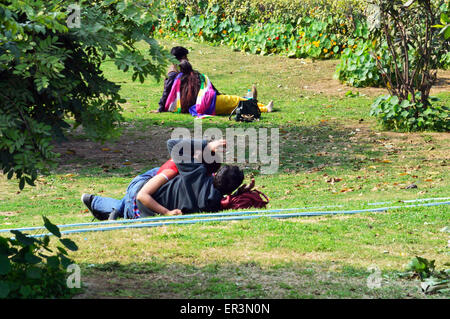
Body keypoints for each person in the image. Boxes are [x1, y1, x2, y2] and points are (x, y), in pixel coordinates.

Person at [81, 138, 245, 220]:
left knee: (127, 204)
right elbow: (222, 199)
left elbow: (172, 143)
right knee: (126, 204)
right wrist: (236, 195)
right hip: (149, 190)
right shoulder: (214, 204)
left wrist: (207, 144)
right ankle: (102, 204)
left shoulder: (195, 172)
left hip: (142, 195)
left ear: (215, 175)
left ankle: (102, 204)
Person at [164, 60, 273, 117]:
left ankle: (252, 100)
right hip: (209, 104)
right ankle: (264, 108)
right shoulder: (197, 76)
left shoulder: (178, 81)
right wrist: (218, 94)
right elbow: (210, 89)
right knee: (235, 101)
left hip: (194, 108)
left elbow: (170, 93)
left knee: (233, 107)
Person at [158, 46, 221, 112]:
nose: (187, 59)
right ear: (182, 58)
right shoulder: (173, 73)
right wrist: (160, 108)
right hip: (182, 104)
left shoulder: (183, 71)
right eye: (186, 57)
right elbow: (166, 91)